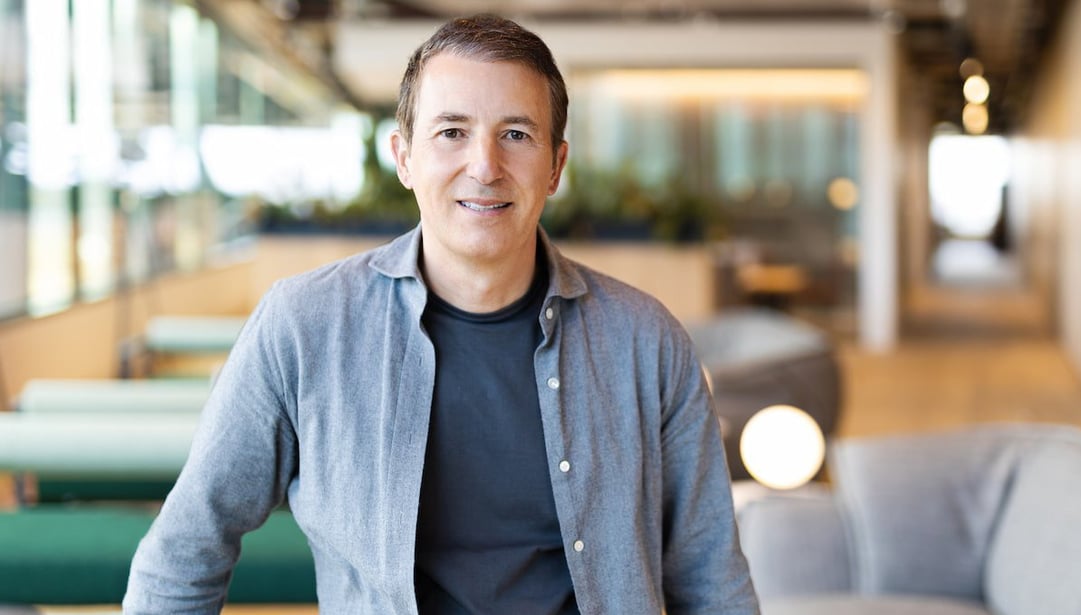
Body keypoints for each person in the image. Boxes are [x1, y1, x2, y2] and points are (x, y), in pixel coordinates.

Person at [124, 14, 759, 615]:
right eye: (452, 132)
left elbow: (712, 580)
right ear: (404, 157)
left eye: (516, 134)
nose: (484, 166)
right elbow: (188, 547)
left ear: (556, 166)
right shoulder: (303, 326)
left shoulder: (647, 342)